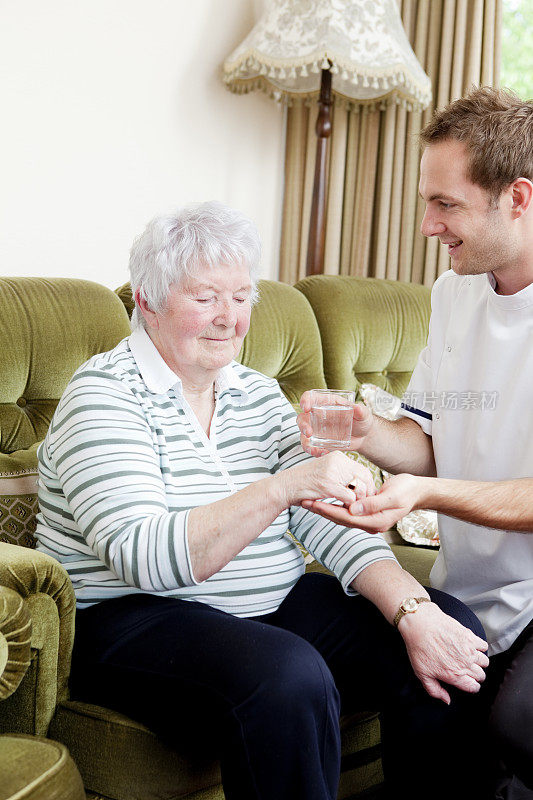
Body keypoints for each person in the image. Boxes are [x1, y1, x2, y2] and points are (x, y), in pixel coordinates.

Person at [35, 201, 488, 800]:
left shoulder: (254, 392)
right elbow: (144, 556)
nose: (231, 319)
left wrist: (413, 611)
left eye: (243, 296)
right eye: (206, 298)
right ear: (147, 299)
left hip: (268, 604)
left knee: (450, 629)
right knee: (288, 677)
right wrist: (282, 488)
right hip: (135, 618)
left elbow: (335, 524)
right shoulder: (103, 398)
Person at [298, 86, 533, 799]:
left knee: (515, 729)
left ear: (517, 198)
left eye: (447, 204)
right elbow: (430, 444)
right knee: (430, 733)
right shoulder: (452, 292)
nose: (428, 224)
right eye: (425, 200)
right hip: (467, 589)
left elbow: (437, 483)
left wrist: (424, 494)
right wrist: (365, 430)